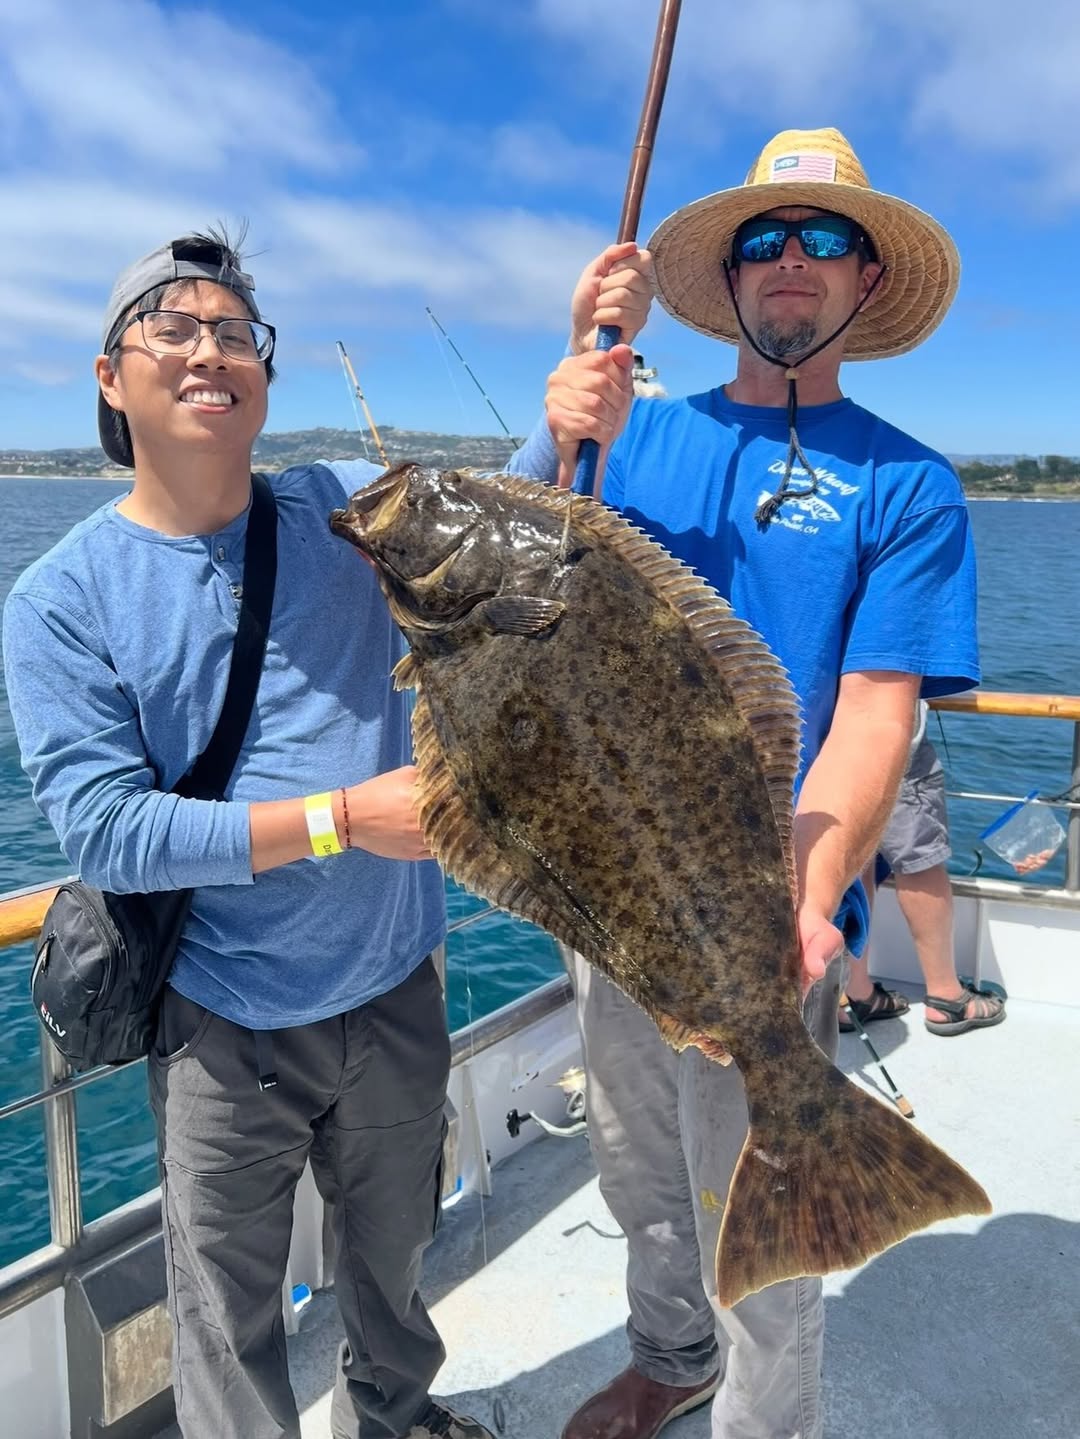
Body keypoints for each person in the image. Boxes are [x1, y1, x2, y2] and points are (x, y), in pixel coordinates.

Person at [510, 127, 980, 1439]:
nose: (793, 259)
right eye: (767, 236)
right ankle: (670, 1352)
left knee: (760, 1222)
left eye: (826, 237)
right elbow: (506, 589)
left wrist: (809, 888)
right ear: (729, 273)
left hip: (771, 897)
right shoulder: (630, 434)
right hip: (614, 890)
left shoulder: (911, 484)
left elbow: (877, 713)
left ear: (867, 280)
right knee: (640, 1166)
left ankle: (766, 1419)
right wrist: (553, 434)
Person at [2, 231, 494, 1439]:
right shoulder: (60, 598)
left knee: (395, 1254)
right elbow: (111, 832)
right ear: (112, 379)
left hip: (393, 980)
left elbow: (499, 552)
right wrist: (345, 816)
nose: (211, 349)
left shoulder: (337, 505)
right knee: (227, 1311)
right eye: (172, 328)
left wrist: (565, 408)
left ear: (264, 377)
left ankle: (396, 1415)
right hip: (226, 1014)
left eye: (236, 331)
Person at [844, 700, 1007, 1035]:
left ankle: (853, 992)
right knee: (919, 862)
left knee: (850, 860)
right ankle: (947, 997)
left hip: (823, 736)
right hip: (887, 732)